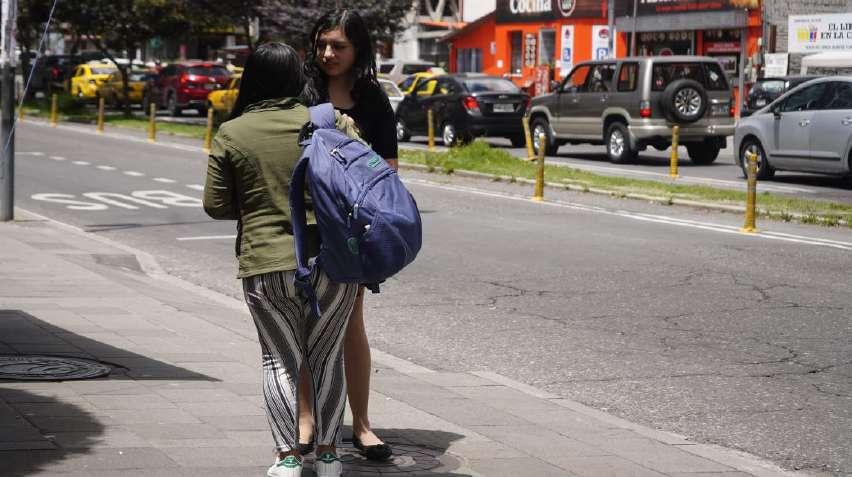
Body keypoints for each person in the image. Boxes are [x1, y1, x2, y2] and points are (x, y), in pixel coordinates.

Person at [203, 42, 362, 477]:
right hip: (332, 263)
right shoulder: (330, 121)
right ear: (296, 77)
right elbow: (361, 184)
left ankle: (288, 458)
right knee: (328, 357)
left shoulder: (233, 132)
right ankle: (329, 457)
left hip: (266, 265)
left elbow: (216, 205)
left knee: (279, 360)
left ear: (251, 79)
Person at [299, 9, 397, 462]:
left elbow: (389, 171)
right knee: (307, 320)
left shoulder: (373, 98)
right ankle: (306, 420)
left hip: (352, 229)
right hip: (306, 223)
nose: (327, 53)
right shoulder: (303, 90)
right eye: (322, 44)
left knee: (351, 321)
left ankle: (361, 424)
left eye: (338, 45)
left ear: (358, 49)